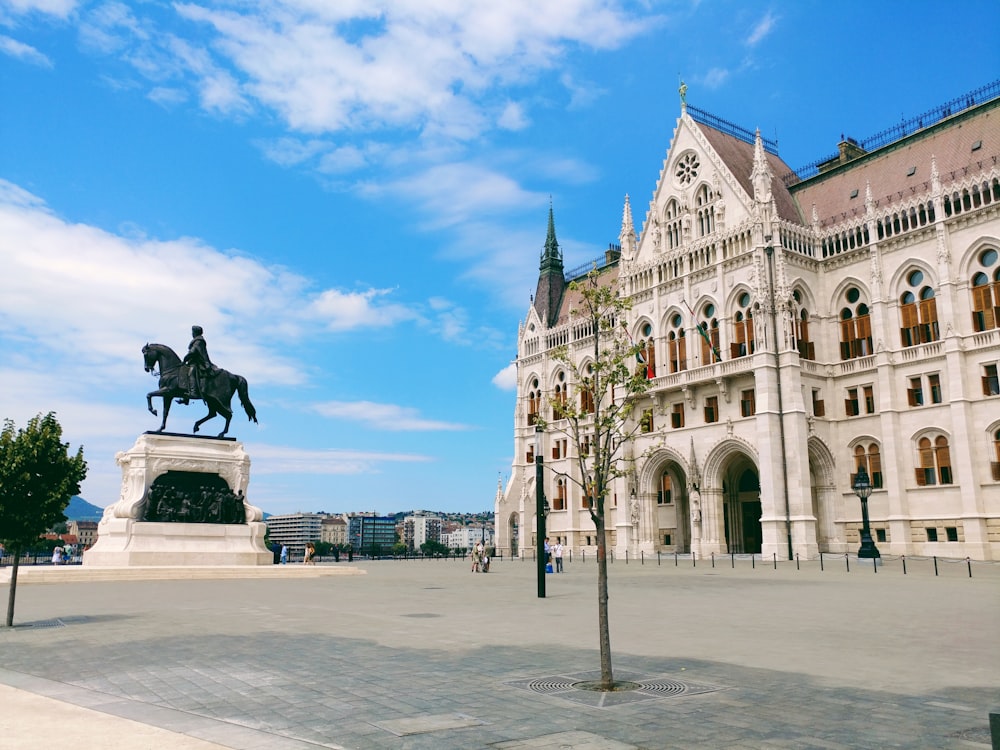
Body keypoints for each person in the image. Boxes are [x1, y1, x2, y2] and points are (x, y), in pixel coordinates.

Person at [181, 325, 214, 403]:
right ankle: (186, 399)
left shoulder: (199, 341)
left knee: (191, 373)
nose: (192, 333)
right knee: (183, 373)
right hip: (193, 362)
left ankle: (193, 393)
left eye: (192, 332)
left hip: (199, 363)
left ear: (195, 333)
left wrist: (185, 358)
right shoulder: (197, 340)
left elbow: (193, 351)